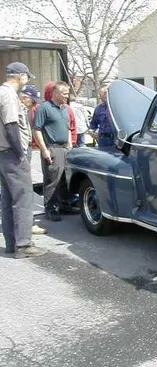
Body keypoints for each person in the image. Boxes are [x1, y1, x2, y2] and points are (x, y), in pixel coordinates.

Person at [0, 62, 46, 258]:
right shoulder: (9, 94)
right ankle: (24, 245)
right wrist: (20, 153)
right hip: (11, 153)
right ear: (20, 76)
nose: (26, 80)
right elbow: (11, 125)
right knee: (23, 198)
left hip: (3, 154)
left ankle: (12, 243)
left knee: (9, 198)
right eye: (26, 76)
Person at [33, 81, 75, 222]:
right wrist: (44, 149)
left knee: (64, 179)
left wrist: (69, 145)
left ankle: (65, 205)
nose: (67, 96)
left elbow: (68, 128)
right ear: (55, 93)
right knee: (52, 180)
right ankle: (51, 208)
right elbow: (36, 130)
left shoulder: (65, 109)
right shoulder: (44, 108)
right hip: (52, 148)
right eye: (64, 93)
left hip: (65, 148)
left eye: (67, 93)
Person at [19, 84, 48, 235]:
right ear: (24, 97)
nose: (34, 105)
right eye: (32, 101)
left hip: (21, 151)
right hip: (18, 154)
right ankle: (26, 226)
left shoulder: (25, 110)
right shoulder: (17, 110)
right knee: (23, 191)